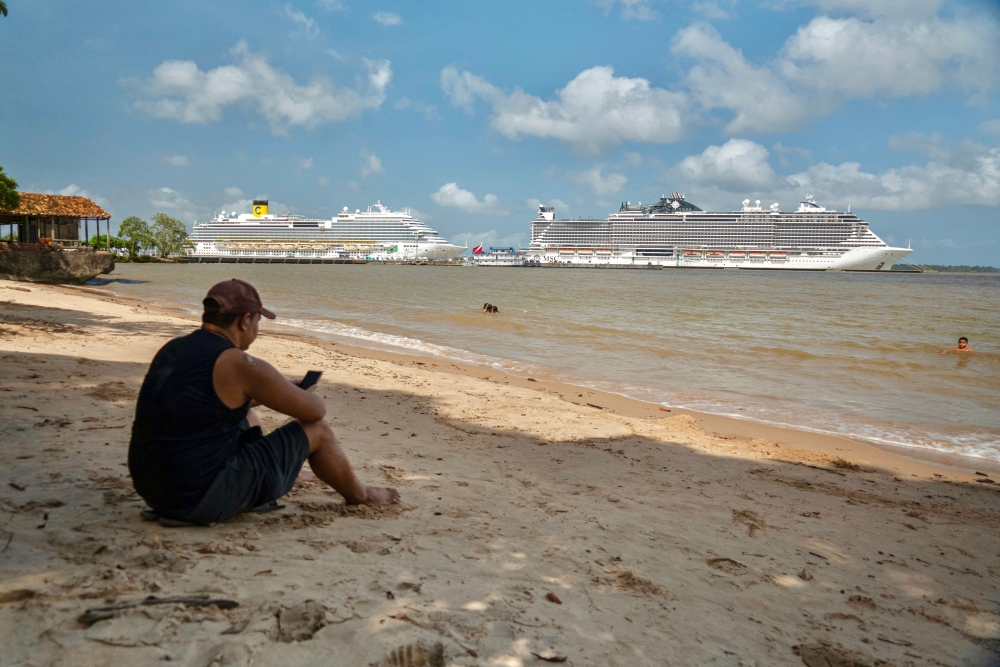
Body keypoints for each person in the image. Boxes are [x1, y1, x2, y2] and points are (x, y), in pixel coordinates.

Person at [128, 278, 400, 526]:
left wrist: (274, 392)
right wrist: (302, 393)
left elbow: (206, 406)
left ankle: (280, 473)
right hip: (200, 500)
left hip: (155, 491)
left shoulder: (173, 348)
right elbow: (316, 411)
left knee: (247, 416)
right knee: (317, 431)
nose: (257, 329)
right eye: (258, 321)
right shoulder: (240, 363)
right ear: (245, 320)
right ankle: (361, 495)